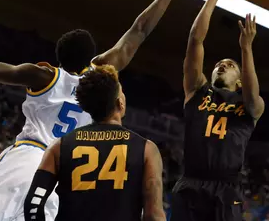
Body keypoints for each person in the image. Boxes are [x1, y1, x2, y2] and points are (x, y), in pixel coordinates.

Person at [0, 0, 199, 221]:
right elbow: (140, 29)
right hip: (68, 172)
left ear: (59, 58)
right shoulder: (98, 82)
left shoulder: (44, 76)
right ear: (93, 58)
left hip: (28, 158)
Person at [170, 0, 265, 221]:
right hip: (190, 183)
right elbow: (195, 41)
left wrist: (246, 49)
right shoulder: (196, 90)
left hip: (226, 189)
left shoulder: (250, 105)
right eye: (218, 64)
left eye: (230, 65)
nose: (222, 65)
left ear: (240, 79)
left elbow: (253, 92)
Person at [24, 65, 165, 221]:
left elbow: (34, 204)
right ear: (120, 103)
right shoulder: (146, 149)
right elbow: (153, 215)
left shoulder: (59, 146)